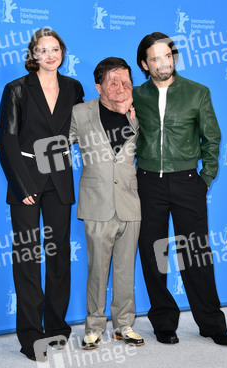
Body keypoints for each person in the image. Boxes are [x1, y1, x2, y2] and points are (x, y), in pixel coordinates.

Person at [133, 32, 227, 346]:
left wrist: (205, 178)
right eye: (156, 58)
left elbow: (212, 139)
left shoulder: (197, 92)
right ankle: (164, 321)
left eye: (168, 56)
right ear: (144, 64)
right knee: (155, 255)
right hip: (148, 182)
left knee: (196, 255)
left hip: (188, 182)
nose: (164, 63)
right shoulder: (136, 95)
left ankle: (211, 323)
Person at [0, 28, 84, 361]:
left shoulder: (74, 88)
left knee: (59, 256)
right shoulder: (16, 89)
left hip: (60, 179)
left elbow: (80, 128)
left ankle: (58, 328)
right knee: (28, 258)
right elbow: (6, 141)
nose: (50, 55)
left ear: (63, 52)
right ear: (33, 55)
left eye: (55, 49)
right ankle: (31, 335)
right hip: (27, 182)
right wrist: (22, 185)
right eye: (42, 50)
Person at [69, 57, 144, 350]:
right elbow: (61, 145)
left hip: (130, 201)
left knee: (125, 268)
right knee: (97, 269)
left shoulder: (139, 114)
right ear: (98, 85)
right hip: (96, 201)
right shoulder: (80, 112)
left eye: (126, 81)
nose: (120, 86)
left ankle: (124, 324)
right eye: (113, 81)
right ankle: (94, 326)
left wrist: (131, 118)